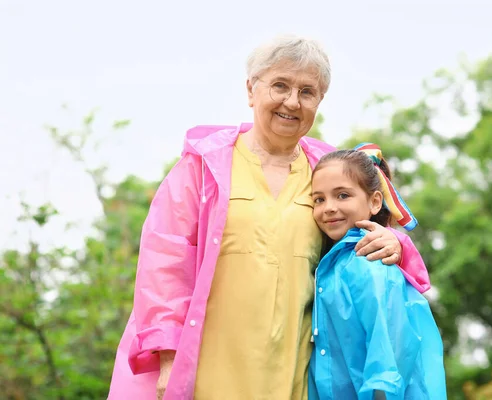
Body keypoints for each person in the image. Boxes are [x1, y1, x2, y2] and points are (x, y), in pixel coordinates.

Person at [107, 35, 432, 400]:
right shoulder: (203, 166)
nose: (291, 102)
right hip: (207, 370)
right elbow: (163, 263)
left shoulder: (327, 172)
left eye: (307, 91)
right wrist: (169, 361)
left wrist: (396, 243)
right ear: (251, 89)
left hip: (293, 372)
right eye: (280, 85)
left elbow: (370, 229)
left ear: (319, 100)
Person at [308, 144, 446, 399]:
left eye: (342, 195)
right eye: (319, 199)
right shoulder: (331, 266)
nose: (328, 207)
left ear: (374, 201)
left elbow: (388, 357)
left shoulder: (369, 263)